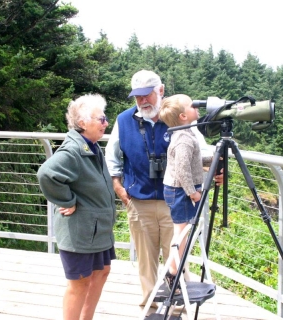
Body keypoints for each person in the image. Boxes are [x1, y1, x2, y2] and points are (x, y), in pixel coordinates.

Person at [105, 70, 222, 306]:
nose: (142, 101)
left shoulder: (179, 119)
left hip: (176, 201)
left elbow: (202, 153)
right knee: (146, 259)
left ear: (161, 90)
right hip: (138, 201)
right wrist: (119, 188)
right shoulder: (124, 120)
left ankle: (179, 302)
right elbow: (112, 158)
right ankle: (150, 304)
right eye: (137, 97)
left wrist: (216, 170)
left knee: (177, 256)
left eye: (146, 95)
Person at [37, 94, 116, 320]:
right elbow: (47, 174)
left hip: (96, 230)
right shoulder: (73, 150)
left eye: (105, 118)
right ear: (82, 123)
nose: (106, 123)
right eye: (101, 119)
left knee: (102, 272)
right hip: (81, 232)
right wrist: (67, 200)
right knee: (79, 282)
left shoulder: (91, 147)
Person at [158, 94, 213, 294]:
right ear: (182, 116)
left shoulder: (185, 133)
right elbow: (182, 170)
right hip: (180, 191)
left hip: (178, 190)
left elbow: (190, 161)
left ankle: (175, 270)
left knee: (181, 233)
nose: (197, 106)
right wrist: (193, 193)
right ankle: (173, 272)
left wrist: (210, 160)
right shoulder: (184, 139)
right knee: (180, 234)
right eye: (193, 105)